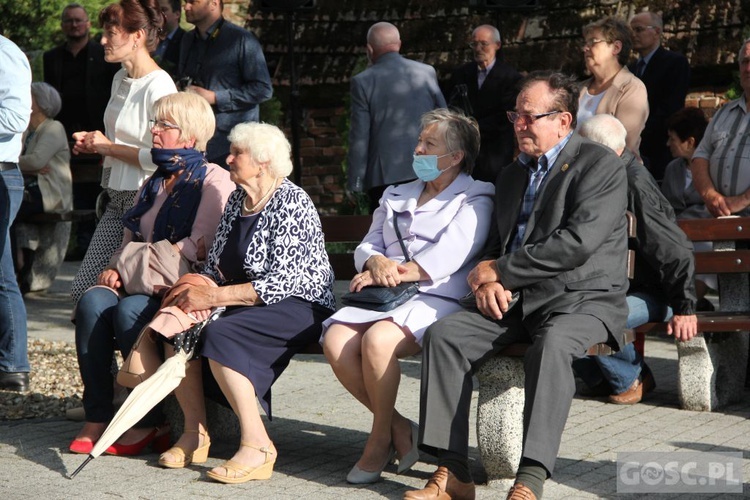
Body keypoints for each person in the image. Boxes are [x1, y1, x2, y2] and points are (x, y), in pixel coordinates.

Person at [404, 71, 629, 500]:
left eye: (530, 117)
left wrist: (502, 272)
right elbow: (494, 245)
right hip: (520, 301)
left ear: (563, 121)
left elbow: (576, 244)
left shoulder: (599, 165)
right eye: (515, 116)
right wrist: (487, 275)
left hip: (582, 300)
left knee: (553, 345)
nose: (519, 125)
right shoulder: (512, 175)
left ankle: (530, 477)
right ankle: (452, 471)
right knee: (445, 335)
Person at [322, 109, 494, 484]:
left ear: (455, 157)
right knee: (335, 341)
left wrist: (390, 273)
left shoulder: (476, 195)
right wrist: (376, 260)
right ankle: (400, 429)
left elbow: (453, 253)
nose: (417, 150)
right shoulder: (396, 193)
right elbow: (368, 244)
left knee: (378, 341)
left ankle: (379, 439)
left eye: (428, 144)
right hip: (389, 292)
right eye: (419, 142)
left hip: (436, 294)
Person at [157, 122, 335, 484]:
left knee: (222, 336)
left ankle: (258, 445)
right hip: (249, 299)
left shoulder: (292, 200)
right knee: (178, 325)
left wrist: (217, 297)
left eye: (238, 153)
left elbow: (284, 280)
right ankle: (195, 433)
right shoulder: (238, 200)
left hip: (299, 303)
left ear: (264, 162)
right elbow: (217, 264)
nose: (229, 158)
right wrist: (199, 288)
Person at [69, 92, 234, 456]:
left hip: (177, 288)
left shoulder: (213, 180)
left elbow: (197, 248)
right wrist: (114, 266)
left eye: (164, 125)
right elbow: (130, 239)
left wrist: (137, 260)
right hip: (139, 277)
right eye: (154, 123)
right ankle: (98, 414)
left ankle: (147, 419)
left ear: (189, 136)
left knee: (131, 311)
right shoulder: (154, 182)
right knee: (93, 302)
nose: (154, 131)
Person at [574, 114, 698, 406]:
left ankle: (633, 376)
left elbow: (673, 250)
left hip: (658, 294)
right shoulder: (608, 178)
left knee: (596, 316)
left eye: (583, 148)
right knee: (559, 310)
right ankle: (602, 377)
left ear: (603, 152)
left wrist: (685, 307)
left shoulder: (633, 184)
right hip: (621, 287)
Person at [70, 0, 177, 304]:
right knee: (85, 292)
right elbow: (118, 139)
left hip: (146, 205)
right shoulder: (120, 77)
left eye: (111, 33)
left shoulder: (160, 87)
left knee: (126, 297)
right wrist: (95, 142)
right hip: (115, 199)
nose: (103, 40)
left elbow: (162, 157)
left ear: (137, 35)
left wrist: (106, 146)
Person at [43, 3, 120, 262]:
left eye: (79, 20)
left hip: (95, 131)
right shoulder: (51, 57)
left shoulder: (103, 54)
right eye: (69, 21)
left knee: (94, 191)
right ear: (63, 25)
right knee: (67, 189)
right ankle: (71, 243)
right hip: (62, 133)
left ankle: (90, 243)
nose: (74, 25)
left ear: (87, 24)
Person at [347, 22, 446, 213]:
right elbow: (444, 119)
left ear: (369, 49)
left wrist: (356, 183)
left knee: (387, 235)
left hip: (384, 177)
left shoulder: (363, 81)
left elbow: (360, 137)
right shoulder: (426, 73)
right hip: (427, 168)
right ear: (399, 44)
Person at [177, 0, 273, 166]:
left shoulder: (241, 40)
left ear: (213, 3)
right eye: (186, 2)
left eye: (193, 2)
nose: (186, 7)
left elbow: (263, 89)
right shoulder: (188, 39)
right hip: (195, 141)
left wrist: (215, 97)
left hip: (230, 146)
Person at [444, 25, 521, 183]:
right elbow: (451, 105)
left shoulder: (511, 77)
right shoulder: (461, 74)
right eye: (474, 44)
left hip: (494, 152)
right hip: (464, 152)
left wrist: (472, 128)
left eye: (484, 44)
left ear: (497, 45)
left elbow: (505, 116)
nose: (478, 49)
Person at [14, 83, 73, 288]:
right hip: (30, 191)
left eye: (29, 96)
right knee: (11, 212)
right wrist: (27, 165)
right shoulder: (28, 130)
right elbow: (28, 161)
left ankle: (19, 267)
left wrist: (15, 163)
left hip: (49, 194)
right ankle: (21, 263)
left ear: (40, 102)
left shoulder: (54, 128)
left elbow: (35, 161)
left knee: (8, 210)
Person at [0, 34, 32, 393]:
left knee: (2, 273)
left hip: (2, 172)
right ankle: (11, 364)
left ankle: (13, 364)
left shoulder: (5, 54)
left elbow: (14, 117)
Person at [628, 11, 691, 181]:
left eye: (639, 29)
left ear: (656, 32)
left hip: (659, 148)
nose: (633, 35)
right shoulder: (630, 69)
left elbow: (671, 107)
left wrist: (639, 134)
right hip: (631, 149)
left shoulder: (674, 63)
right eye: (631, 30)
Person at [690, 39, 750, 217]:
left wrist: (743, 200)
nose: (748, 69)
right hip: (718, 216)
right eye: (745, 62)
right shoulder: (723, 113)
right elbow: (700, 156)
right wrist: (711, 196)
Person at [578, 17, 648, 158]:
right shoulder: (578, 88)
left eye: (593, 42)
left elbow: (622, 146)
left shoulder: (632, 88)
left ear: (616, 47)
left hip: (612, 174)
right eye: (586, 43)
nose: (585, 48)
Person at [661, 107, 710, 220]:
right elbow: (664, 205)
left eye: (672, 139)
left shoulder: (714, 169)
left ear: (689, 142)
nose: (668, 144)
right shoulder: (672, 168)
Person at [152, 0, 184, 76]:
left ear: (177, 14)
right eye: (156, 10)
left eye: (163, 10)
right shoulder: (150, 38)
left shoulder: (185, 40)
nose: (158, 14)